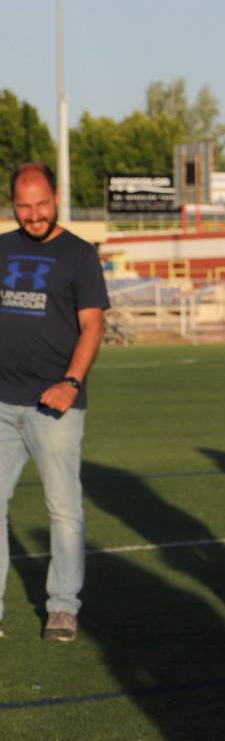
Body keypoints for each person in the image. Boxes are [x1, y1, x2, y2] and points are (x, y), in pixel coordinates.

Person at [0, 163, 109, 642]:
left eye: (41, 204)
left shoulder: (79, 255)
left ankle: (63, 607)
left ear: (57, 196)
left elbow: (93, 326)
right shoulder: (1, 248)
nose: (34, 215)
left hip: (56, 406)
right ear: (12, 203)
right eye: (24, 206)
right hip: (1, 402)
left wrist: (70, 382)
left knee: (63, 510)